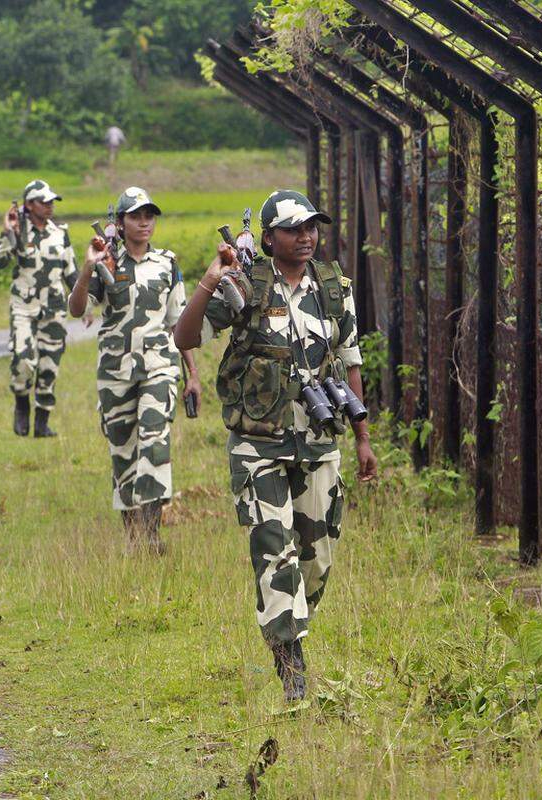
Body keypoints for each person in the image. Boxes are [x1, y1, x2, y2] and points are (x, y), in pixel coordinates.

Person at [173, 189, 377, 702]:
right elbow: (185, 337)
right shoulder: (245, 285)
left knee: (317, 557)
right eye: (293, 229)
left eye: (312, 227)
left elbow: (352, 360)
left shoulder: (335, 288)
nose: (306, 236)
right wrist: (210, 281)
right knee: (274, 551)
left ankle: (289, 625)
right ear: (268, 238)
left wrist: (363, 438)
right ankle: (291, 665)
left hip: (318, 441)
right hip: (257, 445)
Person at [69, 186, 201, 553]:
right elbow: (78, 308)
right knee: (123, 450)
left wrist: (192, 374)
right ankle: (132, 535)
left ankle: (152, 533)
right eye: (136, 216)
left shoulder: (167, 264)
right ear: (121, 222)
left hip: (160, 366)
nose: (144, 223)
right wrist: (86, 268)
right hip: (116, 371)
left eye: (149, 216)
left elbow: (180, 322)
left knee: (155, 443)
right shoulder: (106, 263)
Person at [0, 180, 77, 437]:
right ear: (29, 204)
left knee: (50, 366)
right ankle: (21, 405)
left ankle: (41, 423)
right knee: (23, 360)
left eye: (52, 202)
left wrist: (87, 302)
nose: (49, 206)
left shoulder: (60, 232)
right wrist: (8, 232)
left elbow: (71, 272)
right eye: (44, 202)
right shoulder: (17, 230)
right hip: (24, 308)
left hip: (54, 308)